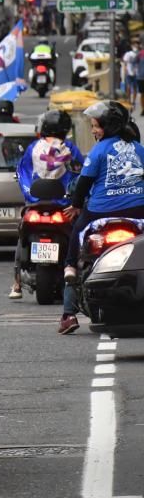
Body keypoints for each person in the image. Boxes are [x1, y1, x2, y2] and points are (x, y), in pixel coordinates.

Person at [59, 101, 144, 334]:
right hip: (138, 210)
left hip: (101, 211)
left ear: (108, 126)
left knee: (77, 233)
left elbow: (84, 183)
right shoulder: (138, 148)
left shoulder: (99, 150)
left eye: (95, 126)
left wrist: (76, 206)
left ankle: (68, 311)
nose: (93, 131)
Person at [9, 110, 83, 299]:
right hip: (64, 206)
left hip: (36, 203)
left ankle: (16, 282)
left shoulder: (34, 147)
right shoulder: (70, 148)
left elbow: (23, 172)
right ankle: (75, 268)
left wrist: (30, 195)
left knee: (21, 234)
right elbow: (80, 174)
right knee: (79, 233)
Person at [123, 40, 139, 107]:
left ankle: (133, 101)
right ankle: (129, 100)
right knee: (129, 87)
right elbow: (125, 63)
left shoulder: (138, 53)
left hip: (136, 73)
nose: (136, 46)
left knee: (134, 87)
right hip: (129, 73)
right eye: (134, 44)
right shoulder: (128, 54)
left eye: (137, 44)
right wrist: (125, 71)